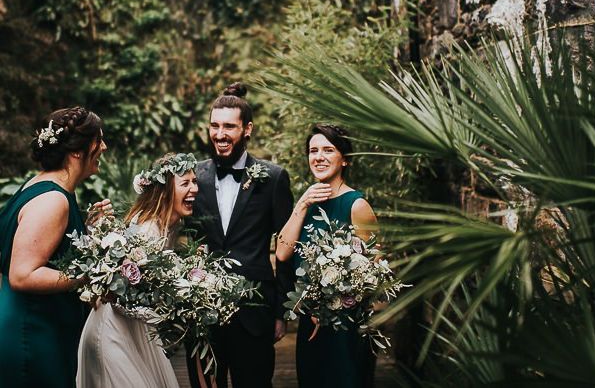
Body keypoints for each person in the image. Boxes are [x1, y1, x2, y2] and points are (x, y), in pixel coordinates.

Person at [189, 82, 294, 388]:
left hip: (255, 311)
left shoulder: (273, 178)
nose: (220, 135)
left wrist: (282, 311)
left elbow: (287, 246)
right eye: (214, 126)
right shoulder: (194, 176)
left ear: (247, 129)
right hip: (202, 309)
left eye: (229, 127)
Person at [0, 106, 108, 388]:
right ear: (76, 152)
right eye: (99, 141)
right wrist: (90, 274)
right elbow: (23, 274)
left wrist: (87, 229)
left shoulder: (40, 186)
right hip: (33, 334)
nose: (104, 147)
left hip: (42, 327)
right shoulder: (53, 201)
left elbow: (50, 249)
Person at [77, 152, 200, 388]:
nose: (194, 188)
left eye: (194, 181)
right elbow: (119, 297)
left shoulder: (169, 226)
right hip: (113, 330)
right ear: (165, 191)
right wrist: (171, 307)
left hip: (137, 332)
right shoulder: (148, 231)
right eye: (185, 183)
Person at [276, 124, 378, 388]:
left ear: (344, 159)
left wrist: (330, 303)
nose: (318, 156)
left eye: (328, 150)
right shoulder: (308, 203)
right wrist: (301, 204)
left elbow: (374, 274)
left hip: (344, 328)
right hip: (309, 326)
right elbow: (283, 253)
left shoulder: (357, 206)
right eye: (313, 150)